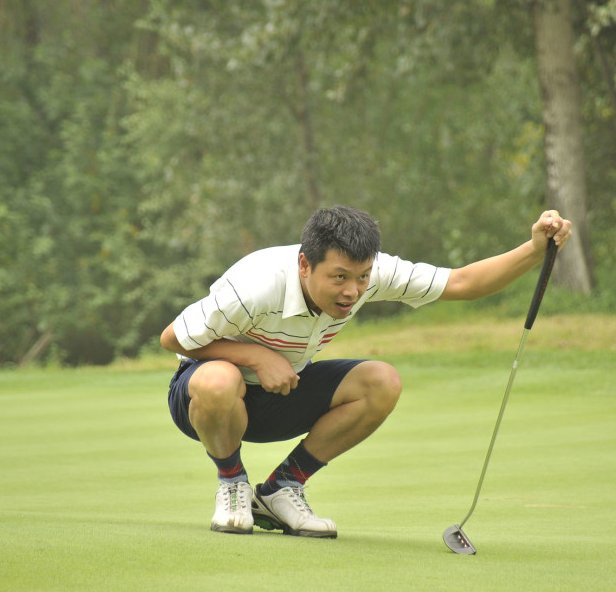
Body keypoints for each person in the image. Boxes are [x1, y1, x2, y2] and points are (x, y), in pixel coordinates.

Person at [160, 205, 572, 538]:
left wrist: (535, 250)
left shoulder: (371, 274)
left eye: (361, 277)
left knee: (381, 381)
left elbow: (462, 283)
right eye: (338, 277)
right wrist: (255, 357)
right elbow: (173, 338)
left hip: (279, 395)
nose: (352, 291)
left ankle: (282, 488)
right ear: (304, 265)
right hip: (206, 398)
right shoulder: (256, 283)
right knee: (220, 379)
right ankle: (232, 484)